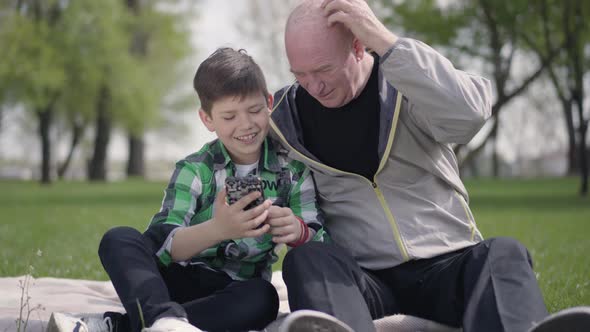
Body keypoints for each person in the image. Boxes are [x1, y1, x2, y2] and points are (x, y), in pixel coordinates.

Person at [269, 1, 589, 331]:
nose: (314, 86)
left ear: (359, 46)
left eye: (323, 70)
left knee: (503, 252)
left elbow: (470, 115)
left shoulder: (406, 82)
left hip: (447, 267)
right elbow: (232, 155)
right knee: (307, 260)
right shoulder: (282, 120)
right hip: (363, 282)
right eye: (300, 75)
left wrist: (385, 40)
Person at [47, 47, 330, 332]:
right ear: (207, 119)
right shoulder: (194, 169)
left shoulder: (292, 171)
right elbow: (165, 245)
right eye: (229, 116)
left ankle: (132, 325)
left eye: (254, 110)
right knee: (119, 239)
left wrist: (297, 231)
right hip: (172, 281)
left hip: (235, 292)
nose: (245, 124)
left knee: (264, 298)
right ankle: (165, 319)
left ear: (269, 103)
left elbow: (321, 245)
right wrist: (219, 229)